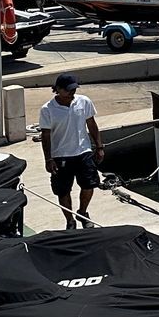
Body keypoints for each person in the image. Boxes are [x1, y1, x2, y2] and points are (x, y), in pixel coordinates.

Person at [38, 72, 104, 230]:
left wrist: (99, 147)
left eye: (74, 89)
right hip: (61, 155)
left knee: (89, 185)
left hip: (83, 152)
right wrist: (48, 159)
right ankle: (70, 220)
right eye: (68, 90)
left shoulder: (84, 102)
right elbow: (45, 136)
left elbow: (92, 124)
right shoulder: (47, 109)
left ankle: (82, 212)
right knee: (63, 191)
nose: (72, 93)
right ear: (58, 89)